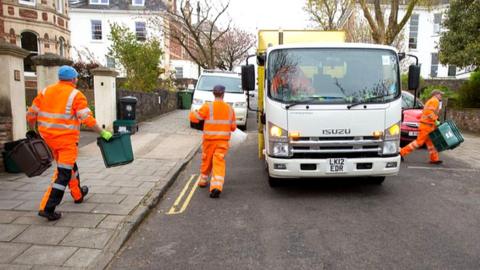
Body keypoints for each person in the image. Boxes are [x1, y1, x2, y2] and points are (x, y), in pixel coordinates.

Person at [26, 65, 113, 221]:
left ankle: (78, 194)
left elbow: (31, 114)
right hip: (66, 142)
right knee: (63, 174)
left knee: (69, 166)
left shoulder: (46, 92)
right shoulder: (76, 95)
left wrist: (33, 131)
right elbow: (87, 119)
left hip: (47, 140)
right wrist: (103, 132)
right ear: (73, 79)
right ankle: (47, 207)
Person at [189, 85, 236, 198]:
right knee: (218, 162)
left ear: (213, 93)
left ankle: (203, 180)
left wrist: (193, 112)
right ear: (223, 94)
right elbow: (233, 127)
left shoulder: (207, 107)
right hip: (223, 142)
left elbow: (194, 118)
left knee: (207, 160)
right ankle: (216, 187)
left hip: (209, 141)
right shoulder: (230, 109)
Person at [400, 89, 444, 164]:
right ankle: (401, 152)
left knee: (431, 144)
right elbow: (429, 112)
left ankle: (434, 159)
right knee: (418, 142)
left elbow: (426, 112)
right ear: (436, 94)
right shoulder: (435, 101)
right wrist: (436, 120)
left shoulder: (431, 101)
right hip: (427, 126)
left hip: (427, 125)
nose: (441, 96)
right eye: (440, 94)